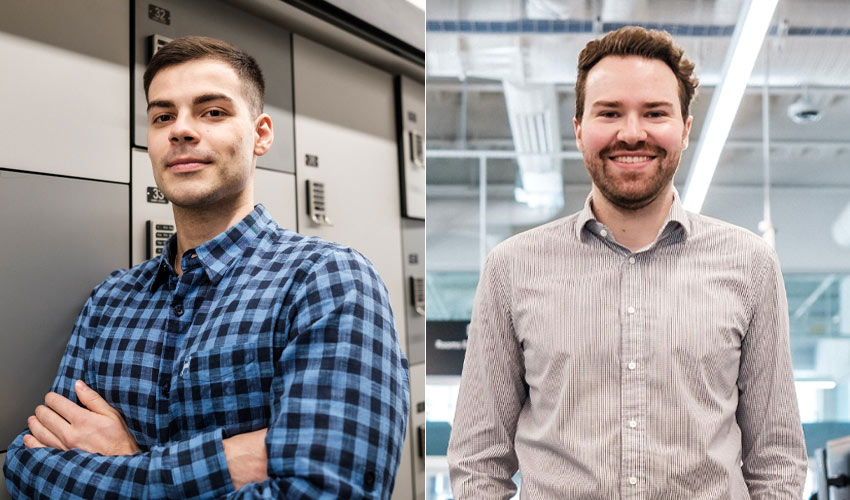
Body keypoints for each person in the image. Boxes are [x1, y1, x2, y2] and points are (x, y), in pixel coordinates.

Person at [4, 35, 409, 499]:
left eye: (212, 112)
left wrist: (126, 464)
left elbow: (326, 491)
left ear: (260, 134)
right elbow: (27, 465)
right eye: (162, 116)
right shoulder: (110, 301)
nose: (181, 130)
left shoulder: (326, 281)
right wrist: (230, 462)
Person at [446, 26, 807, 499]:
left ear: (685, 128)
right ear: (579, 129)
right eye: (609, 112)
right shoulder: (512, 269)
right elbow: (478, 462)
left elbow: (777, 459)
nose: (632, 132)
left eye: (654, 113)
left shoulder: (750, 265)